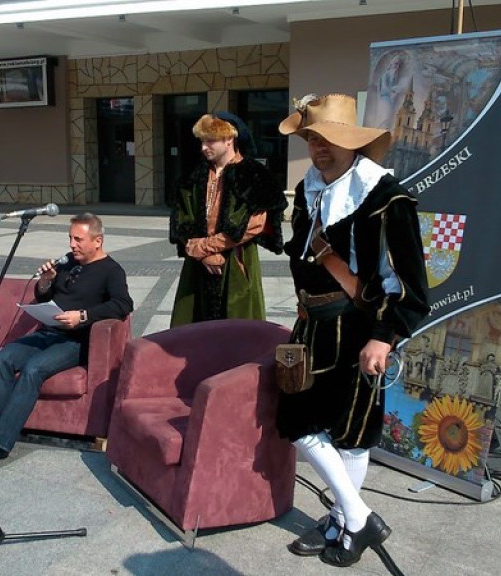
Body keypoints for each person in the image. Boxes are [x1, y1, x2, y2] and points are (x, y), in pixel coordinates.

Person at [276, 93, 429, 567]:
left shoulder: (386, 196)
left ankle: (344, 523)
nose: (317, 147)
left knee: (350, 434)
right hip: (311, 325)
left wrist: (384, 337)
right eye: (311, 138)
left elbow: (411, 283)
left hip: (359, 329)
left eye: (327, 139)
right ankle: (356, 515)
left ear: (350, 141)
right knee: (300, 424)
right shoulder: (309, 186)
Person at [0, 213, 133, 473]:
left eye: (78, 239)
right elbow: (45, 294)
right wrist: (45, 283)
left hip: (75, 340)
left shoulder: (111, 271)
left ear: (97, 241)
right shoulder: (67, 264)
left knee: (34, 369)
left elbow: (123, 304)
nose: (72, 245)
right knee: (1, 360)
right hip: (47, 332)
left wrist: (82, 316)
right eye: (70, 238)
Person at [168, 111, 286, 326]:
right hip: (197, 264)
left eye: (210, 140)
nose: (204, 147)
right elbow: (181, 218)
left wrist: (208, 247)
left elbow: (255, 224)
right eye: (202, 141)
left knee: (238, 329)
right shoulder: (193, 176)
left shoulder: (254, 174)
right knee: (194, 329)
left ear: (229, 138)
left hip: (237, 260)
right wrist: (202, 254)